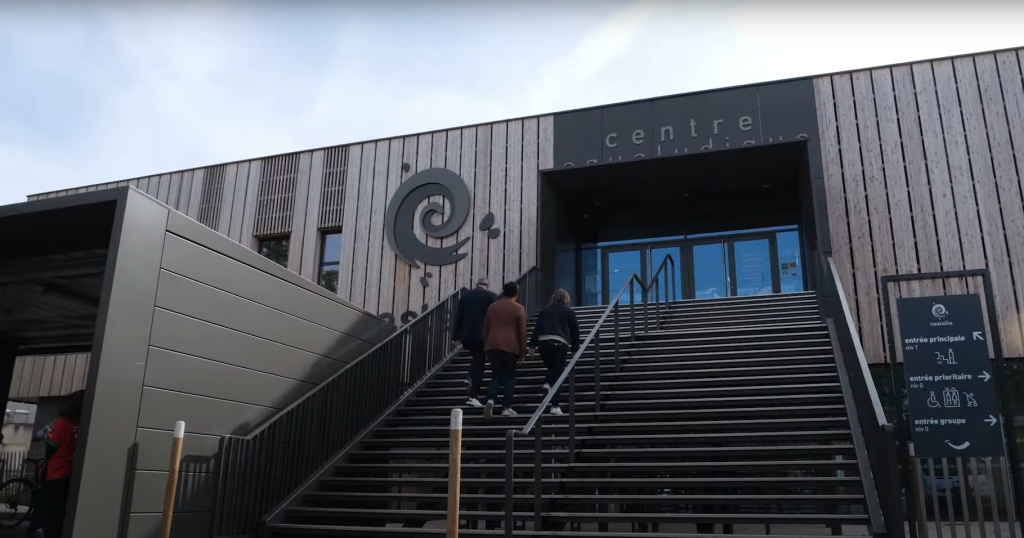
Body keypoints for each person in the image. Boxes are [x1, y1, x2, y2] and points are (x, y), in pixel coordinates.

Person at [35, 390, 83, 538]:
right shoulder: (82, 425)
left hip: (56, 473)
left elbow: (50, 448)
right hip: (73, 474)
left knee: (51, 512)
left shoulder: (62, 424)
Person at [530, 288, 580, 416]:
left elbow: (537, 327)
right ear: (566, 298)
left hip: (543, 343)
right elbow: (575, 331)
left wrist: (532, 345)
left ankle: (548, 383)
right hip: (559, 343)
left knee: (552, 368)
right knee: (558, 374)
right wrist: (575, 349)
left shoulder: (545, 310)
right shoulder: (569, 311)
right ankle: (555, 406)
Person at [482, 281, 528, 418]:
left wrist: (486, 346)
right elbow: (522, 331)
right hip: (510, 346)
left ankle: (490, 399)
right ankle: (506, 407)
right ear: (517, 294)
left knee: (496, 375)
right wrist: (523, 352)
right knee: (509, 376)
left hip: (492, 345)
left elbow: (485, 328)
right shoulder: (518, 308)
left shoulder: (492, 307)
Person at [451, 278, 498, 408]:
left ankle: (470, 379)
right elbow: (495, 316)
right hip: (483, 334)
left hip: (467, 335)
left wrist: (455, 337)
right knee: (480, 363)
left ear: (476, 285)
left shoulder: (465, 297)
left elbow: (458, 316)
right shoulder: (491, 296)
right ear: (486, 285)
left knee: (477, 358)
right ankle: (472, 393)